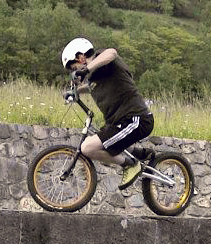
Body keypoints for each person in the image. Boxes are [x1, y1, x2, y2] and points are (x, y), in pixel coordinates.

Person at [61, 37, 154, 190]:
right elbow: (91, 86)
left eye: (73, 67)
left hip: (135, 119)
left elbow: (112, 53)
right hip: (118, 123)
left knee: (88, 148)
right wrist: (76, 91)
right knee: (101, 137)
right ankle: (138, 153)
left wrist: (85, 70)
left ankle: (130, 164)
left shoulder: (103, 59)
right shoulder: (95, 77)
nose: (74, 72)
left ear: (80, 57)